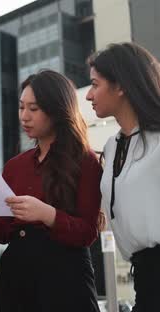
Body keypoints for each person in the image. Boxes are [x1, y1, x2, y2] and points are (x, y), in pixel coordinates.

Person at [0, 69, 102, 312]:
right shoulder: (16, 166)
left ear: (57, 110)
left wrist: (47, 214)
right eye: (21, 108)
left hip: (65, 281)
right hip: (16, 278)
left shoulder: (85, 161)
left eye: (34, 109)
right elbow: (3, 230)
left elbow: (88, 232)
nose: (24, 117)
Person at [86, 42, 160, 312]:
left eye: (95, 84)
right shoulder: (111, 147)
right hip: (142, 276)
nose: (88, 95)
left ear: (121, 86)